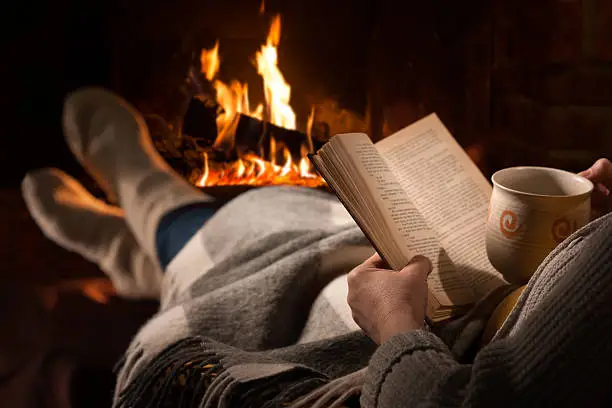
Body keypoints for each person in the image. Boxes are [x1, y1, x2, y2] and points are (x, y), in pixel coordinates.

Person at [21, 88, 612, 407]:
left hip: (435, 331)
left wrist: (396, 325)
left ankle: (152, 201)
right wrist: (577, 246)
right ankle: (141, 247)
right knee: (322, 226)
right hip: (495, 295)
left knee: (276, 239)